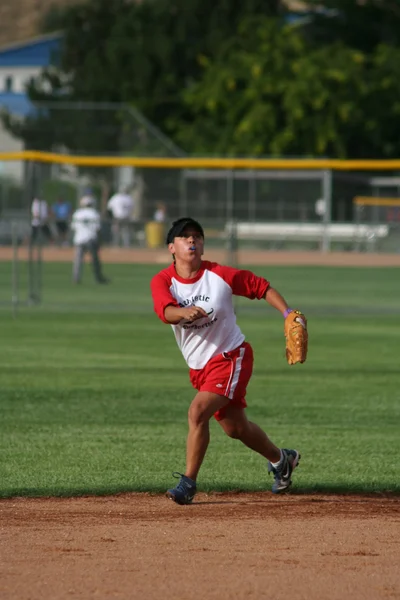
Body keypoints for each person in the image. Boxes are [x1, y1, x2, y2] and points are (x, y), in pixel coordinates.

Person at [150, 217, 305, 505]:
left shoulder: (218, 274)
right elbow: (165, 311)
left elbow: (260, 286)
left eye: (197, 236)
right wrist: (183, 313)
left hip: (232, 355)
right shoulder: (163, 281)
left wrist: (288, 313)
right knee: (236, 428)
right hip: (200, 367)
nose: (192, 241)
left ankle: (188, 483)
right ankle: (282, 460)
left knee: (197, 412)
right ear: (172, 247)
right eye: (185, 237)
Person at [70, 196, 109, 285]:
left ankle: (76, 278)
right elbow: (97, 228)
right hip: (91, 238)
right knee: (95, 260)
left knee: (78, 261)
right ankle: (98, 278)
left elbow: (74, 227)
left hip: (79, 239)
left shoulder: (77, 213)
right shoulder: (94, 213)